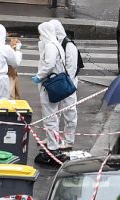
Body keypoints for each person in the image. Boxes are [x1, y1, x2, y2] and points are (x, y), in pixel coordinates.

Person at [32, 22, 68, 163]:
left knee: (50, 117)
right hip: (56, 84)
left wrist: (39, 76)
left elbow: (49, 64)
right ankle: (54, 146)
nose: (39, 35)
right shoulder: (55, 44)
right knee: (53, 116)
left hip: (50, 85)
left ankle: (52, 148)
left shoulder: (50, 46)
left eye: (40, 32)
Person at [49, 19, 78, 150]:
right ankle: (53, 137)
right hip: (59, 84)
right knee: (54, 113)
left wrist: (63, 84)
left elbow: (71, 68)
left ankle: (69, 140)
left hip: (67, 85)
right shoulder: (56, 43)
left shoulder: (69, 46)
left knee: (70, 112)